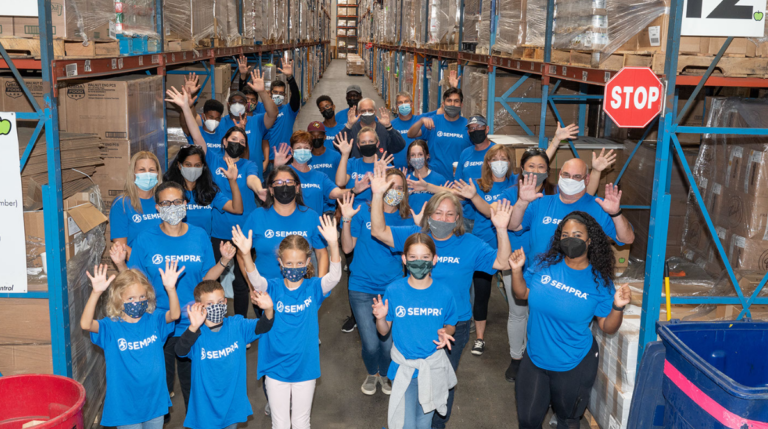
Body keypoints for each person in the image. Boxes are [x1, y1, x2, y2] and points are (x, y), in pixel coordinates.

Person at [369, 164, 513, 429]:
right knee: (412, 378)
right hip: (413, 322)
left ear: (458, 218)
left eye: (450, 215)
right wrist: (378, 195)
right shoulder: (417, 240)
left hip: (453, 326)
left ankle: (436, 423)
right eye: (438, 213)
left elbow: (502, 262)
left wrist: (501, 229)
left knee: (442, 379)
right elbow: (379, 231)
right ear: (428, 214)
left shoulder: (470, 244)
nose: (444, 219)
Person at [110, 181, 237, 410]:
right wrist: (120, 265)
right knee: (161, 386)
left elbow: (207, 279)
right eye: (166, 203)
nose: (172, 207)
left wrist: (224, 261)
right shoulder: (145, 239)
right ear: (157, 208)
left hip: (196, 321)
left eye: (177, 202)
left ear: (186, 204)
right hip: (159, 322)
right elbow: (135, 283)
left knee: (195, 386)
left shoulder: (199, 236)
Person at [508, 211, 631, 429]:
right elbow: (522, 294)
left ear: (589, 240)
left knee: (567, 420)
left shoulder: (599, 282)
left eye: (576, 234)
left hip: (573, 362)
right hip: (536, 356)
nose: (569, 239)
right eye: (565, 235)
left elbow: (607, 326)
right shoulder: (544, 264)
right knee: (527, 420)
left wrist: (617, 307)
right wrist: (517, 271)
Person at [167, 86, 269, 320]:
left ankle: (243, 321)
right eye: (233, 138)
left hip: (244, 231)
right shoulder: (211, 160)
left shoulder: (248, 165)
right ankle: (209, 319)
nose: (237, 142)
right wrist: (186, 107)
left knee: (244, 281)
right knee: (213, 279)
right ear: (224, 142)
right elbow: (197, 137)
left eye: (241, 140)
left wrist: (260, 190)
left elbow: (253, 180)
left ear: (245, 147)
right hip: (218, 232)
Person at [234, 216, 342, 429]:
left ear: (308, 263)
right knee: (280, 423)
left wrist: (333, 244)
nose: (294, 267)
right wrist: (246, 254)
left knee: (302, 422)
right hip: (275, 367)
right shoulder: (272, 288)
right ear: (280, 263)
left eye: (300, 263)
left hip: (305, 368)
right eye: (289, 263)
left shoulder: (314, 288)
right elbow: (255, 279)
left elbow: (335, 276)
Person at [339, 168, 413, 396]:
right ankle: (373, 373)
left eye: (400, 188)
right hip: (361, 288)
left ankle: (385, 374)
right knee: (371, 344)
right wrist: (346, 219)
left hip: (391, 288)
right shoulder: (363, 213)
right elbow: (347, 247)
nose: (395, 192)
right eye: (390, 186)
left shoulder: (406, 219)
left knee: (388, 344)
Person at [80, 263, 182, 429]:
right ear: (119, 298)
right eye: (131, 298)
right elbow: (85, 324)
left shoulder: (154, 320)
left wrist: (171, 289)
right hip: (126, 405)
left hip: (154, 400)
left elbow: (175, 314)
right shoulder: (110, 327)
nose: (138, 302)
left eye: (142, 297)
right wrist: (96, 292)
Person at [372, 233, 458, 429]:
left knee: (424, 423)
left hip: (432, 368)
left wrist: (446, 331)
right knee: (406, 424)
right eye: (413, 257)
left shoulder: (444, 293)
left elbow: (451, 323)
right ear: (404, 259)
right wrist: (381, 318)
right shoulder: (394, 291)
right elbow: (384, 332)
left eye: (425, 257)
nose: (419, 262)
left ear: (435, 259)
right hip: (405, 368)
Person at [175, 280, 275, 429]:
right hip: (206, 408)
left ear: (225, 301)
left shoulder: (237, 325)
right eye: (209, 304)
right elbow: (180, 351)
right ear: (199, 306)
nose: (216, 306)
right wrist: (193, 327)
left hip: (232, 404)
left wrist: (269, 309)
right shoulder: (196, 335)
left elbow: (263, 326)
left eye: (220, 301)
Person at [508, 157, 635, 260]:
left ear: (587, 179)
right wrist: (522, 201)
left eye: (577, 176)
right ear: (560, 175)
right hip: (539, 280)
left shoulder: (600, 206)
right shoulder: (541, 203)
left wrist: (616, 214)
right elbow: (513, 226)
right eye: (566, 175)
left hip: (578, 283)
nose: (570, 180)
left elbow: (627, 238)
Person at [242, 166, 329, 280]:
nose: (284, 186)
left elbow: (322, 254)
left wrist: (319, 286)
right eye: (278, 182)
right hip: (264, 291)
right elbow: (241, 253)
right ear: (271, 190)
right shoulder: (256, 216)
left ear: (297, 188)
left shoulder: (311, 217)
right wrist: (251, 285)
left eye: (289, 181)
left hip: (302, 291)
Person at [163, 145, 243, 238]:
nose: (192, 169)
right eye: (188, 164)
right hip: (177, 246)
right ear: (179, 166)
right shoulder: (170, 192)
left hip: (203, 247)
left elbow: (237, 209)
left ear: (203, 167)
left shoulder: (209, 192)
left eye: (197, 165)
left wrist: (232, 180)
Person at [274, 130, 347, 215]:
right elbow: (271, 193)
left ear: (311, 149)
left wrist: (354, 190)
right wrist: (276, 169)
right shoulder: (283, 173)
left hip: (314, 225)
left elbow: (337, 193)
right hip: (289, 225)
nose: (302, 151)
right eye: (298, 148)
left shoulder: (320, 176)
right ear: (292, 150)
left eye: (306, 148)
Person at [221, 69, 278, 175]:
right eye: (234, 102)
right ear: (228, 105)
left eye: (241, 102)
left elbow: (273, 114)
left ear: (245, 105)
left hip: (254, 176)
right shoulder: (221, 123)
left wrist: (262, 92)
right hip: (227, 175)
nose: (237, 104)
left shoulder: (257, 121)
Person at [407, 88, 471, 180]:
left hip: (458, 181)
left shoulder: (467, 126)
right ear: (443, 104)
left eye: (456, 101)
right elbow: (411, 134)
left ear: (461, 105)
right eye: (449, 101)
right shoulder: (434, 121)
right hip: (434, 180)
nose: (452, 104)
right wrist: (421, 121)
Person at [109, 151, 163, 259]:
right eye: (142, 170)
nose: (147, 174)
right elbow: (121, 247)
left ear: (158, 173)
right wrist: (148, 263)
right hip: (138, 269)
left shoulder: (165, 201)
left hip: (167, 265)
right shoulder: (122, 204)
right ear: (133, 173)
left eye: (151, 170)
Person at [334, 128, 395, 204]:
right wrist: (345, 154)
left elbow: (393, 197)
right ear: (358, 145)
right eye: (363, 142)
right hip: (352, 209)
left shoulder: (385, 165)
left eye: (371, 141)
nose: (367, 144)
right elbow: (340, 183)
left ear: (377, 143)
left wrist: (381, 174)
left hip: (376, 208)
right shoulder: (352, 163)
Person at [341, 98, 406, 159]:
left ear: (375, 111)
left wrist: (389, 127)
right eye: (363, 111)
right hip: (358, 169)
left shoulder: (384, 129)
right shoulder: (352, 130)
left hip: (382, 168)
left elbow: (400, 146)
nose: (367, 113)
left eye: (370, 110)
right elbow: (338, 146)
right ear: (358, 112)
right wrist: (349, 125)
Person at [264, 59, 301, 163]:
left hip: (286, 158)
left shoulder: (289, 110)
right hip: (266, 159)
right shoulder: (262, 109)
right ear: (270, 93)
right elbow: (246, 102)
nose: (278, 95)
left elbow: (296, 97)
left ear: (285, 96)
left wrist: (290, 77)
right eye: (275, 92)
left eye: (281, 93)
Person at [307, 121, 343, 216]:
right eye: (312, 136)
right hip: (310, 206)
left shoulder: (335, 156)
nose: (316, 138)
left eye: (319, 135)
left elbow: (342, 183)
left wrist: (339, 208)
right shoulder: (304, 157)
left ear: (325, 137)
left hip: (331, 206)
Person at [404, 140, 448, 216]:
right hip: (410, 223)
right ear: (409, 158)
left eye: (420, 154)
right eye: (413, 155)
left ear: (427, 156)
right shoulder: (406, 179)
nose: (416, 158)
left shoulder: (439, 179)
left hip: (432, 224)